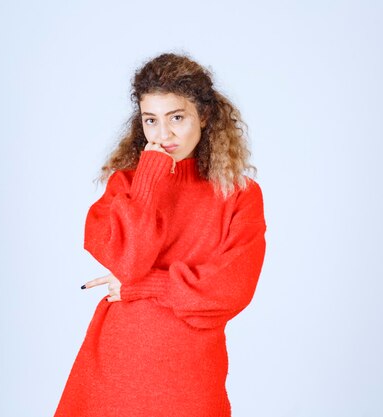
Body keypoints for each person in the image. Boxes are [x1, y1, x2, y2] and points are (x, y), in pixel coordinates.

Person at [53, 52, 267, 417]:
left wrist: (143, 288)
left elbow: (229, 292)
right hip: (118, 365)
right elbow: (129, 260)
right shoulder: (127, 184)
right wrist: (150, 176)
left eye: (177, 118)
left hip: (191, 371)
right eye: (151, 120)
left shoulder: (240, 194)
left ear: (204, 115)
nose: (163, 134)